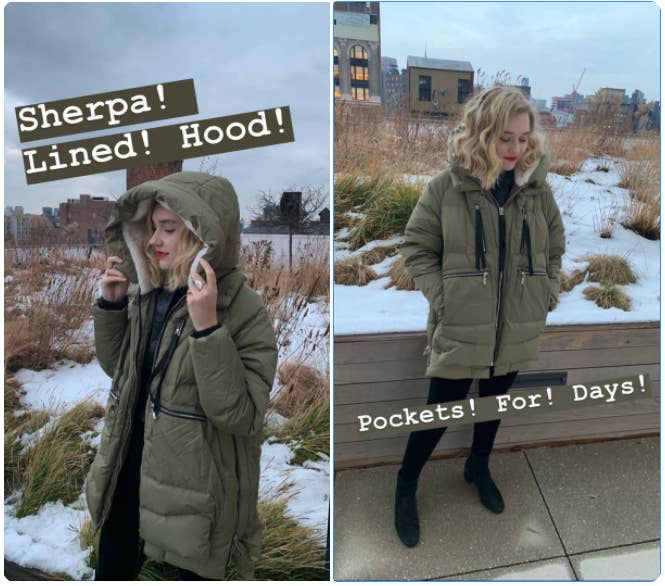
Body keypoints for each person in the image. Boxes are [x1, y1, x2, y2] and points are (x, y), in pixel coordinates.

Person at [394, 87, 565, 547]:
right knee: (440, 411)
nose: (515, 149)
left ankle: (478, 466)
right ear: (483, 134)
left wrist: (546, 292)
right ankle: (406, 482)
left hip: (516, 326)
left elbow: (555, 248)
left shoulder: (537, 190)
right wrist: (445, 299)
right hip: (462, 325)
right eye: (505, 138)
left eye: (524, 139)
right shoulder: (446, 187)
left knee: (493, 405)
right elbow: (416, 248)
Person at [85, 172, 278, 579]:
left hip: (195, 495)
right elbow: (121, 374)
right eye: (152, 227)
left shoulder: (242, 310)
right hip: (129, 468)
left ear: (202, 234)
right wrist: (113, 308)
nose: (154, 239)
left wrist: (207, 329)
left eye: (168, 229)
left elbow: (241, 416)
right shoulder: (149, 293)